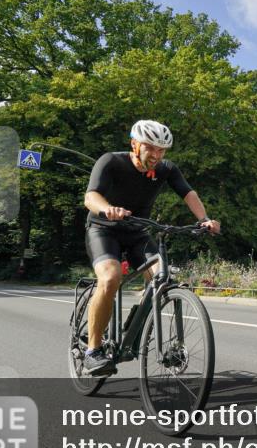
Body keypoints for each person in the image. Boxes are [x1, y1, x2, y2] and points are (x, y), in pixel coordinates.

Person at [82, 120, 220, 376]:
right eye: (149, 147)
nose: (156, 155)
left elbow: (188, 193)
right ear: (134, 144)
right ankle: (93, 350)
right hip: (104, 229)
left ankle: (135, 325)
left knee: (163, 277)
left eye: (162, 150)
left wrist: (204, 220)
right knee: (111, 278)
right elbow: (90, 197)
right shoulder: (111, 161)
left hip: (137, 232)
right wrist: (107, 209)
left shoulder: (166, 169)